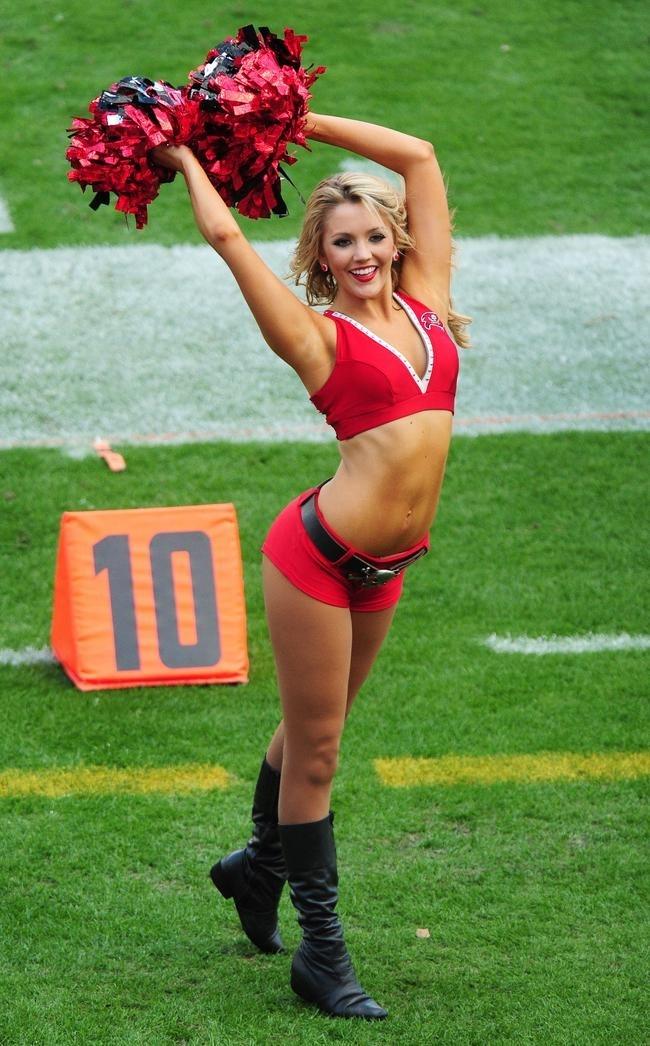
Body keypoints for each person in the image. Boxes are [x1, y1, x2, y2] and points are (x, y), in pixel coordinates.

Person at [153, 111, 469, 1021]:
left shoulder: (430, 300)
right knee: (321, 749)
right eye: (343, 243)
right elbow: (222, 234)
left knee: (313, 731)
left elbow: (419, 153)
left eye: (375, 235)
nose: (364, 252)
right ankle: (321, 955)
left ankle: (255, 868)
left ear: (395, 237)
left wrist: (295, 115)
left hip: (387, 564)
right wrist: (182, 153)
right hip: (318, 560)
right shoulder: (314, 335)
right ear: (321, 256)